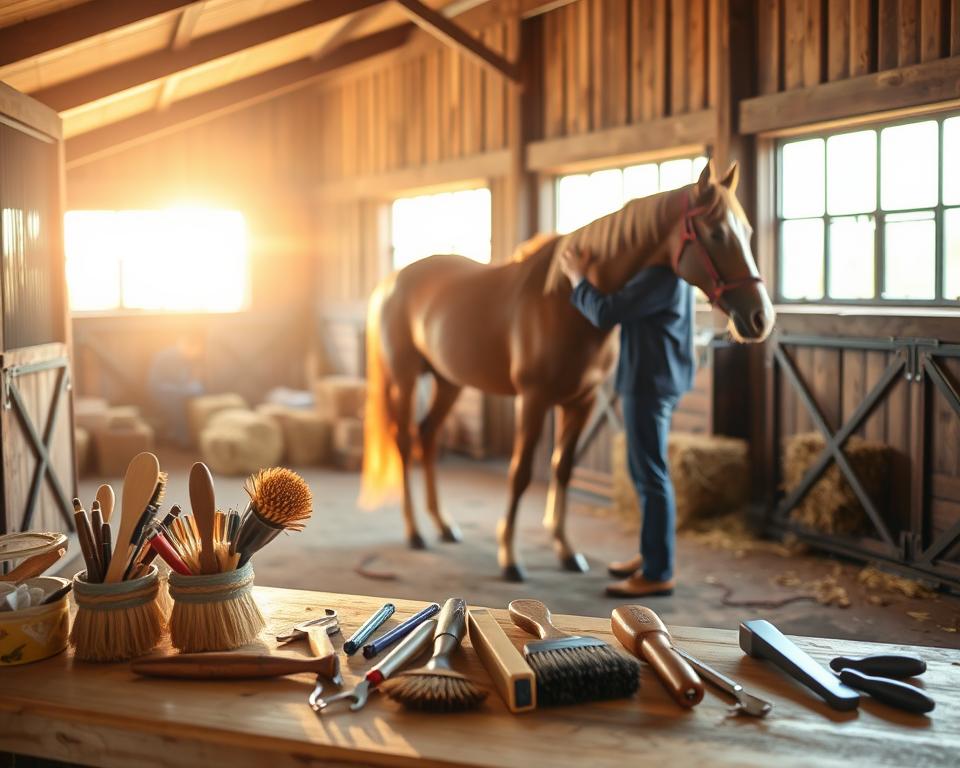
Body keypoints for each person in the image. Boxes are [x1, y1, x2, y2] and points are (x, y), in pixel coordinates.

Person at [558, 246, 695, 597]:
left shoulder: (657, 276)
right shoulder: (669, 274)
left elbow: (606, 312)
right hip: (658, 380)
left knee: (650, 475)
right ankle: (652, 555)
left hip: (647, 385)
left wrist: (576, 277)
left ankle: (657, 572)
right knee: (646, 473)